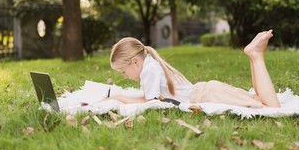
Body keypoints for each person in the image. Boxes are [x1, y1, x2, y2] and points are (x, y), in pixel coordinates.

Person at [108, 30, 280, 108]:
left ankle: (255, 56)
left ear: (135, 62)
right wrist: (124, 97)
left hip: (208, 95)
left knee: (271, 106)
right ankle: (253, 55)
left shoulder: (148, 70)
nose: (124, 76)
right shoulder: (150, 65)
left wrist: (119, 97)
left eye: (123, 71)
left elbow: (149, 103)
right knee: (257, 99)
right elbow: (147, 98)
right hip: (208, 91)